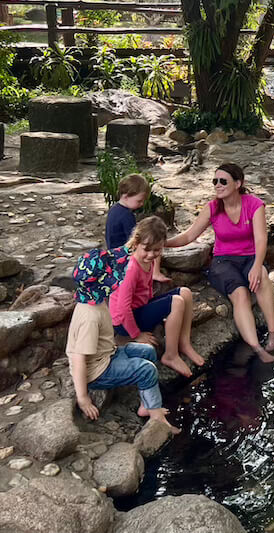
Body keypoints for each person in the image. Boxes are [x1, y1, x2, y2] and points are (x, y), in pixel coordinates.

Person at [165, 163, 274, 363]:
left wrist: (255, 266)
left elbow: (261, 239)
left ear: (238, 183)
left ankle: (272, 334)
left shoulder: (254, 205)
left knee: (260, 275)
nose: (217, 185)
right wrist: (164, 244)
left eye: (223, 181)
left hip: (250, 257)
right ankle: (257, 348)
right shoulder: (212, 208)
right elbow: (190, 235)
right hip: (223, 261)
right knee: (240, 294)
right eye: (215, 181)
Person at [66, 245, 179, 431]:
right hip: (97, 371)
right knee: (147, 370)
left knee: (148, 351)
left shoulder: (96, 300)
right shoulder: (90, 317)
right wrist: (83, 397)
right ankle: (157, 417)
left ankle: (147, 405)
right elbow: (79, 358)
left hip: (107, 354)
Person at [109, 215, 205, 377]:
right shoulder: (131, 269)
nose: (151, 254)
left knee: (185, 293)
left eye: (157, 250)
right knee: (176, 302)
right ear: (136, 243)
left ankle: (185, 343)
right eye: (146, 249)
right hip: (124, 321)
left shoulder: (149, 260)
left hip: (140, 309)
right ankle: (170, 355)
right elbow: (122, 308)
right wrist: (136, 335)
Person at [105, 173, 170, 283]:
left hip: (113, 254)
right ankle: (155, 273)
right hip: (123, 257)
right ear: (126, 196)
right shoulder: (126, 216)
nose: (141, 204)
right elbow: (135, 240)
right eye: (139, 201)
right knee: (154, 241)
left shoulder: (114, 209)